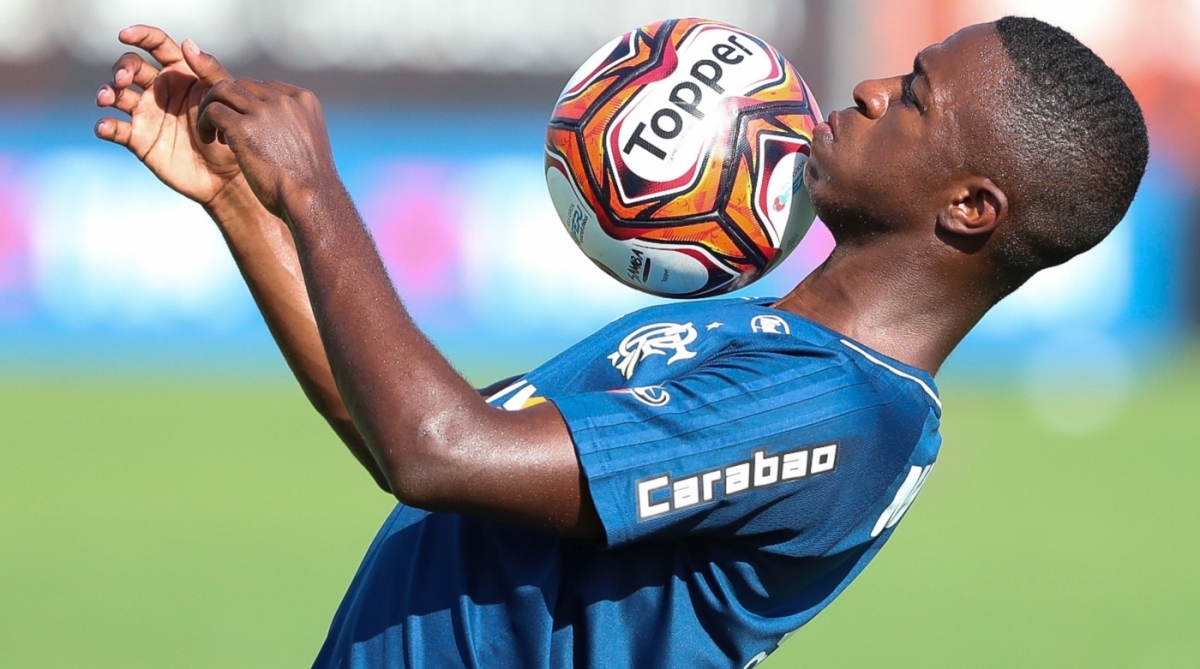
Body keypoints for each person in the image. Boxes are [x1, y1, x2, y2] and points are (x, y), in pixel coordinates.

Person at [94, 16, 1148, 669]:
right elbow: (404, 433)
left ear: (970, 208)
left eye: (914, 98)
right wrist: (241, 199)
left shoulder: (840, 409)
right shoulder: (759, 334)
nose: (871, 89)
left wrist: (314, 187)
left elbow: (437, 450)